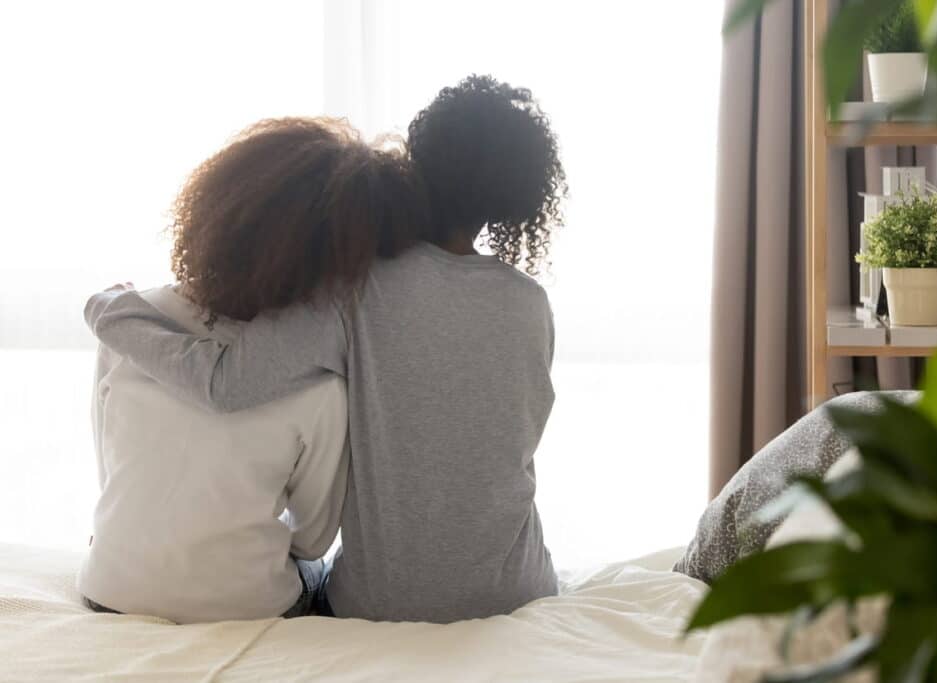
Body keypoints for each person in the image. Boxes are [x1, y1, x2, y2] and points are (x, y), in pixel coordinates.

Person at [83, 75, 569, 623]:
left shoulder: (356, 288)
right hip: (521, 591)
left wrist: (109, 312)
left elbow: (225, 384)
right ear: (518, 196)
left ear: (419, 160)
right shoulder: (532, 304)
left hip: (381, 603)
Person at [79, 117, 426, 623]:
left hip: (109, 588)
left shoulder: (128, 326)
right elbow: (312, 539)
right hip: (247, 607)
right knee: (320, 576)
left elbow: (110, 469)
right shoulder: (321, 384)